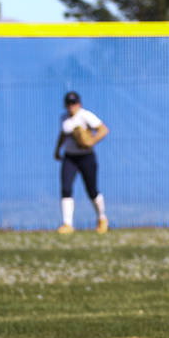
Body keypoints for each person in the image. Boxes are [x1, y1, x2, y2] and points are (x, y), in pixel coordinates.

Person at [52, 90, 110, 233]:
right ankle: (67, 224)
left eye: (74, 103)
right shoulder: (64, 118)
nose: (71, 106)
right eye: (69, 103)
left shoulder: (85, 116)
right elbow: (63, 135)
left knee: (92, 191)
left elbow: (103, 129)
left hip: (86, 157)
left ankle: (102, 218)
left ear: (79, 103)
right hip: (70, 157)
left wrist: (92, 141)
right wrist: (57, 150)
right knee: (66, 188)